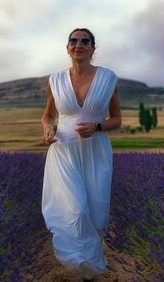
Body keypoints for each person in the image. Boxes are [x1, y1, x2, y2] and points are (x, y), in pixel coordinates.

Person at [41, 28, 122, 280]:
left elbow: (117, 119)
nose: (79, 45)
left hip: (96, 151)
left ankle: (90, 269)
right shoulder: (55, 80)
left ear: (92, 48)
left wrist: (97, 126)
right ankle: (79, 262)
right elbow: (49, 115)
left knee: (96, 215)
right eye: (73, 41)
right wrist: (47, 129)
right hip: (64, 151)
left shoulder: (109, 78)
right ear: (67, 48)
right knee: (76, 211)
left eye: (84, 41)